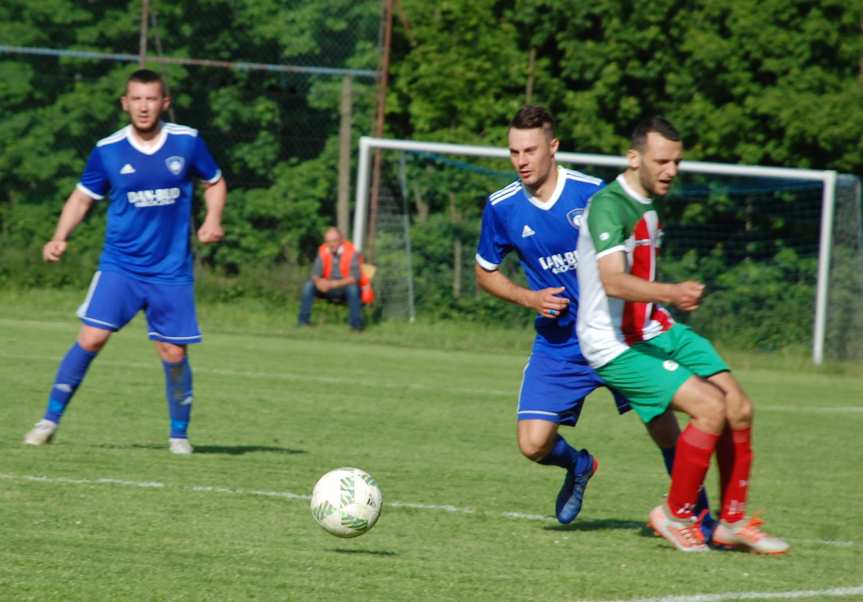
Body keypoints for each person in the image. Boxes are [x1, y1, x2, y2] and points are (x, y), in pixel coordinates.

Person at [475, 106, 713, 529]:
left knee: (662, 423)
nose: (521, 161)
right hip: (560, 345)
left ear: (554, 147)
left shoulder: (592, 194)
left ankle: (700, 515)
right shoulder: (503, 206)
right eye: (514, 152)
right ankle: (579, 465)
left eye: (530, 150)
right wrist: (529, 298)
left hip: (616, 336)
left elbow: (639, 247)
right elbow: (484, 271)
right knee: (533, 445)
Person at [576, 116, 788, 553]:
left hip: (655, 327)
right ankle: (675, 514)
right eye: (662, 161)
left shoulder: (647, 203)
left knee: (739, 407)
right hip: (614, 344)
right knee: (709, 407)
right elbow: (613, 281)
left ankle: (731, 521)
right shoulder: (608, 206)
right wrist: (672, 291)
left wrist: (665, 302)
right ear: (633, 159)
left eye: (677, 161)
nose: (671, 170)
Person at [22, 69, 227, 455]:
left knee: (173, 352)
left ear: (164, 103)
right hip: (121, 265)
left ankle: (179, 436)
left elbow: (214, 181)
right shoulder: (108, 150)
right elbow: (82, 197)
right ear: (125, 103)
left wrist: (213, 219)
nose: (144, 106)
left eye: (151, 99)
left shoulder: (187, 143)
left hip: (170, 269)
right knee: (91, 337)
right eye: (136, 99)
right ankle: (48, 421)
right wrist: (59, 237)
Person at [297, 227, 371, 331]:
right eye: (328, 241)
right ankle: (303, 323)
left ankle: (355, 327)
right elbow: (315, 273)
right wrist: (319, 282)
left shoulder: (351, 252)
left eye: (334, 241)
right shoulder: (323, 251)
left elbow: (355, 277)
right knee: (309, 285)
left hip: (344, 288)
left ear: (341, 240)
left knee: (353, 289)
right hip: (327, 287)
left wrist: (334, 284)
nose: (331, 244)